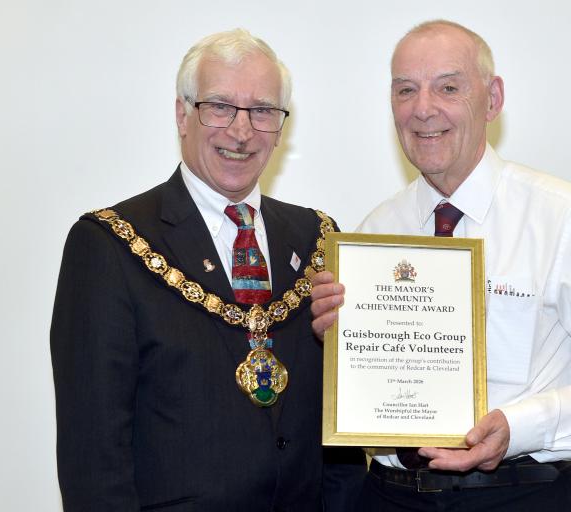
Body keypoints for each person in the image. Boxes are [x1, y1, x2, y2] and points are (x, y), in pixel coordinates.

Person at [310, 20, 571, 511]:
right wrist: (338, 346)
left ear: (492, 99)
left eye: (448, 87)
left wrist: (521, 427)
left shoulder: (559, 214)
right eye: (405, 90)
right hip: (389, 497)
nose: (423, 108)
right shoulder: (372, 234)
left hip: (522, 494)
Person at [51, 29, 363, 512]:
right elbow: (93, 454)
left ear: (281, 126)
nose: (241, 132)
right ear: (182, 113)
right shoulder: (108, 244)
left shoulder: (318, 238)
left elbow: (336, 433)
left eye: (262, 111)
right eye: (220, 106)